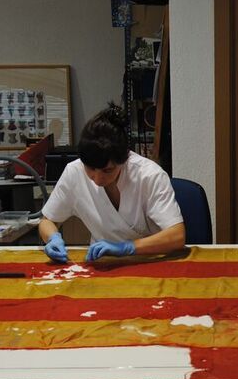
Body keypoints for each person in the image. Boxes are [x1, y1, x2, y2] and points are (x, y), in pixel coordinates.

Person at [38, 103, 185, 263]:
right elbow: (48, 221)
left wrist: (128, 248)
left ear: (124, 160)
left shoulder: (149, 175)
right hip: (101, 262)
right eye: (90, 169)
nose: (97, 178)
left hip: (149, 259)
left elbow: (176, 236)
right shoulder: (74, 171)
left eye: (107, 170)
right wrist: (52, 238)